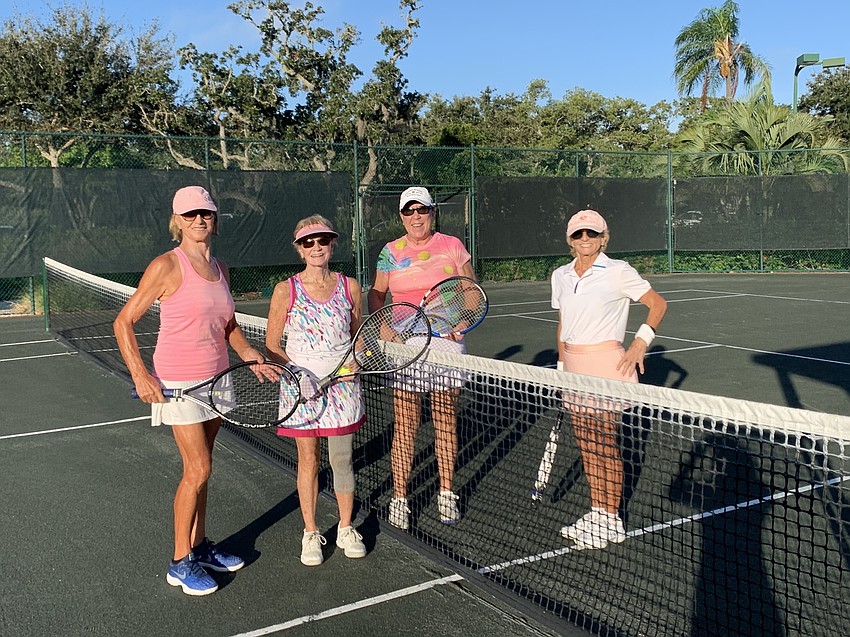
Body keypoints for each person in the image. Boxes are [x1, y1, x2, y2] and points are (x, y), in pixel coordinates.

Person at [114, 186, 268, 595]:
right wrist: (141, 375)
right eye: (190, 214)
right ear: (177, 220)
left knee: (205, 469)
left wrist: (250, 353)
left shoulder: (221, 269)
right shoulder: (166, 265)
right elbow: (123, 322)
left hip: (217, 378)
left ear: (214, 219)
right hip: (178, 381)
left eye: (206, 213)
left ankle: (199, 547)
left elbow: (228, 324)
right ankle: (180, 562)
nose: (199, 220)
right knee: (197, 469)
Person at [551, 209, 667, 550]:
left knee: (604, 443)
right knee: (586, 445)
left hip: (606, 366)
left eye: (592, 234)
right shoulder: (560, 275)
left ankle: (611, 519)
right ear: (570, 240)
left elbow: (658, 305)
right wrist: (560, 364)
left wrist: (639, 344)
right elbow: (563, 323)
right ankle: (597, 512)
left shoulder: (619, 272)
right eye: (578, 235)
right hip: (573, 366)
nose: (585, 240)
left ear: (604, 238)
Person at [367, 186, 477, 530]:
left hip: (444, 344)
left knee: (445, 421)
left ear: (432, 212)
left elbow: (472, 292)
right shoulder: (390, 251)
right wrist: (384, 325)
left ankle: (446, 492)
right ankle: (400, 497)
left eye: (423, 210)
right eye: (409, 211)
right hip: (405, 346)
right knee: (406, 425)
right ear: (401, 216)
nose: (416, 217)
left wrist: (463, 321)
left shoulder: (452, 246)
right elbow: (376, 293)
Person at [265, 215, 367, 566]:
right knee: (308, 460)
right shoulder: (285, 289)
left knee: (342, 459)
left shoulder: (350, 287)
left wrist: (355, 361)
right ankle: (310, 532)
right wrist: (296, 376)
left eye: (322, 240)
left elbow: (358, 338)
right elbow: (272, 344)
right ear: (299, 248)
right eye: (308, 242)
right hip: (301, 389)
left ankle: (345, 526)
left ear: (332, 243)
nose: (316, 247)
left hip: (343, 388)